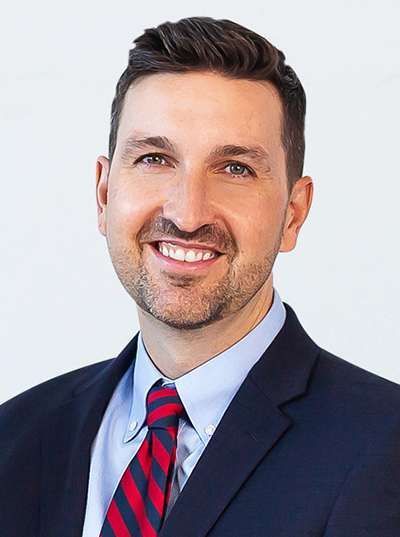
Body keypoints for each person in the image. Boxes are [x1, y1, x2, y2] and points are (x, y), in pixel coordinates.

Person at [1, 15, 399, 537]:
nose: (188, 214)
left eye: (235, 168)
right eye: (154, 158)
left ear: (294, 214)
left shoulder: (385, 450)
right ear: (104, 195)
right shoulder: (15, 438)